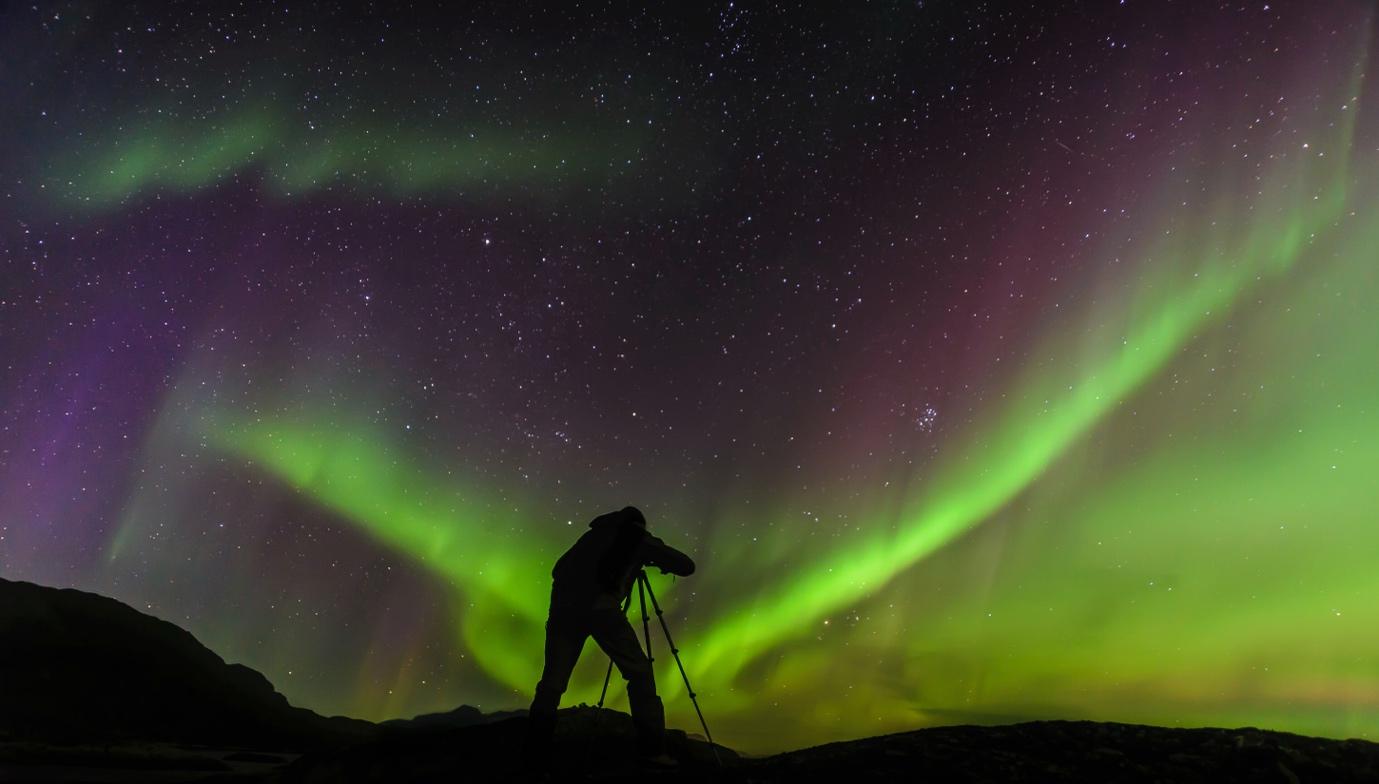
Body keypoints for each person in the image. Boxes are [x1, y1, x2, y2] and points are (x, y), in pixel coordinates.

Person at [527, 505, 696, 762]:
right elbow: (686, 565)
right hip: (602, 610)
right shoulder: (636, 538)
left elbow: (558, 569)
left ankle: (535, 752)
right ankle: (652, 751)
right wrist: (652, 551)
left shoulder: (591, 536)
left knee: (552, 682)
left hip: (562, 613)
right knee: (639, 673)